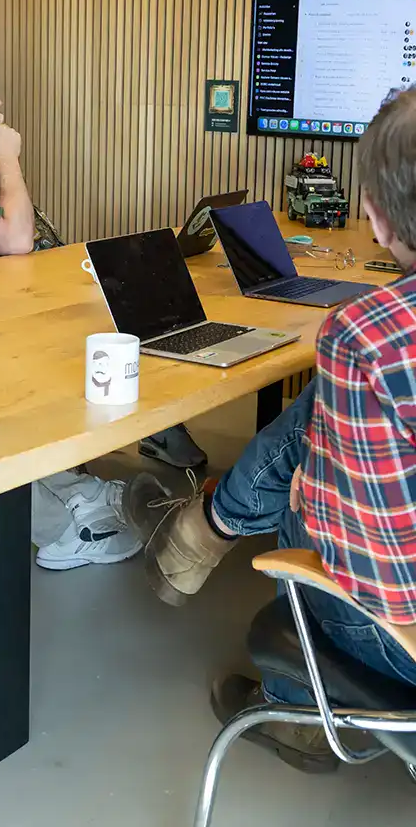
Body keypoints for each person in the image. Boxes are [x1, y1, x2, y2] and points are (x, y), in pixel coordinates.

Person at [126, 86, 416, 774]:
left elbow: (372, 564)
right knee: (323, 415)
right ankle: (208, 524)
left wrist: (312, 490)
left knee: (305, 501)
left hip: (398, 643)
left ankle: (301, 716)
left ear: (374, 217)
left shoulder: (371, 337)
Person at [0, 61, 208, 570]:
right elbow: (18, 241)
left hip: (19, 303)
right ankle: (68, 512)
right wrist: (8, 160)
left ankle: (141, 431)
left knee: (147, 298)